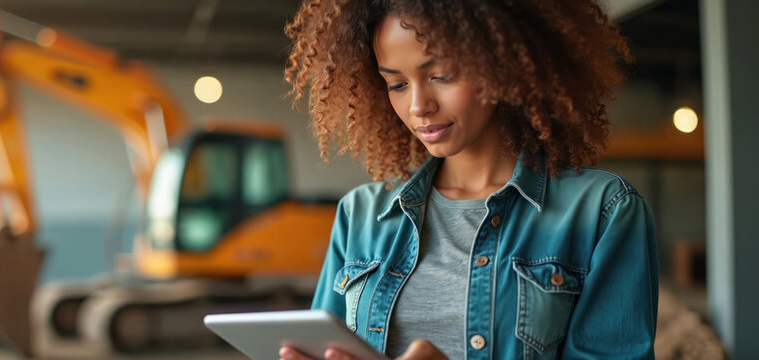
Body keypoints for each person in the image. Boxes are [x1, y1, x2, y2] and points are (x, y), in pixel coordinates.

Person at [280, 0, 659, 359]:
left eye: (441, 75)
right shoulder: (361, 214)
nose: (418, 106)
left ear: (503, 64)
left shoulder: (603, 212)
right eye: (397, 84)